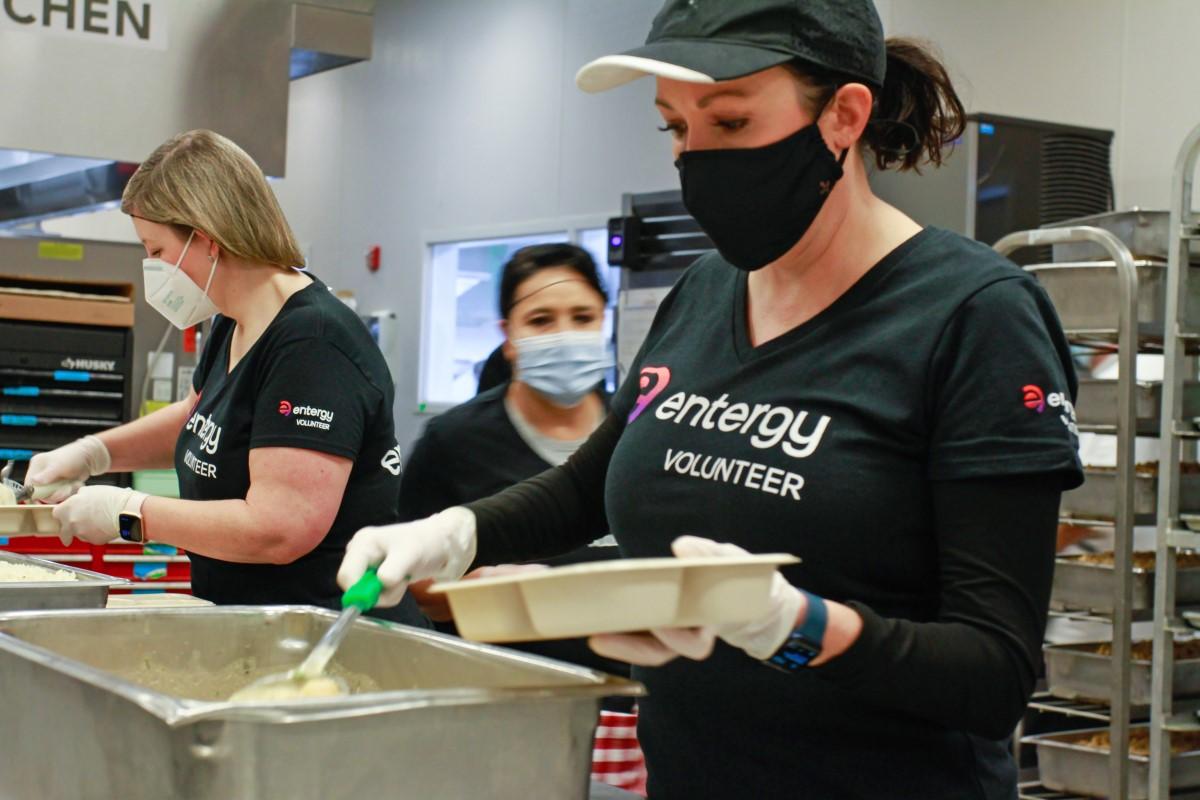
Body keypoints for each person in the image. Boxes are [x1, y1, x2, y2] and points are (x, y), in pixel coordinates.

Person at [338, 1, 1083, 797]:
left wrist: (792, 626)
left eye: (729, 122)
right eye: (675, 128)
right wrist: (451, 534)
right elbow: (587, 487)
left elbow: (993, 671)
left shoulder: (974, 316)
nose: (696, 159)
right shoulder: (704, 291)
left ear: (844, 115)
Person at [32, 129, 426, 627]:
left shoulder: (312, 345)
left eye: (156, 250)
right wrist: (93, 454)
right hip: (248, 621)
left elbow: (278, 529)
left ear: (208, 240)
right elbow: (200, 418)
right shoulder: (233, 320)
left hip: (323, 631)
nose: (152, 266)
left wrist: (130, 512)